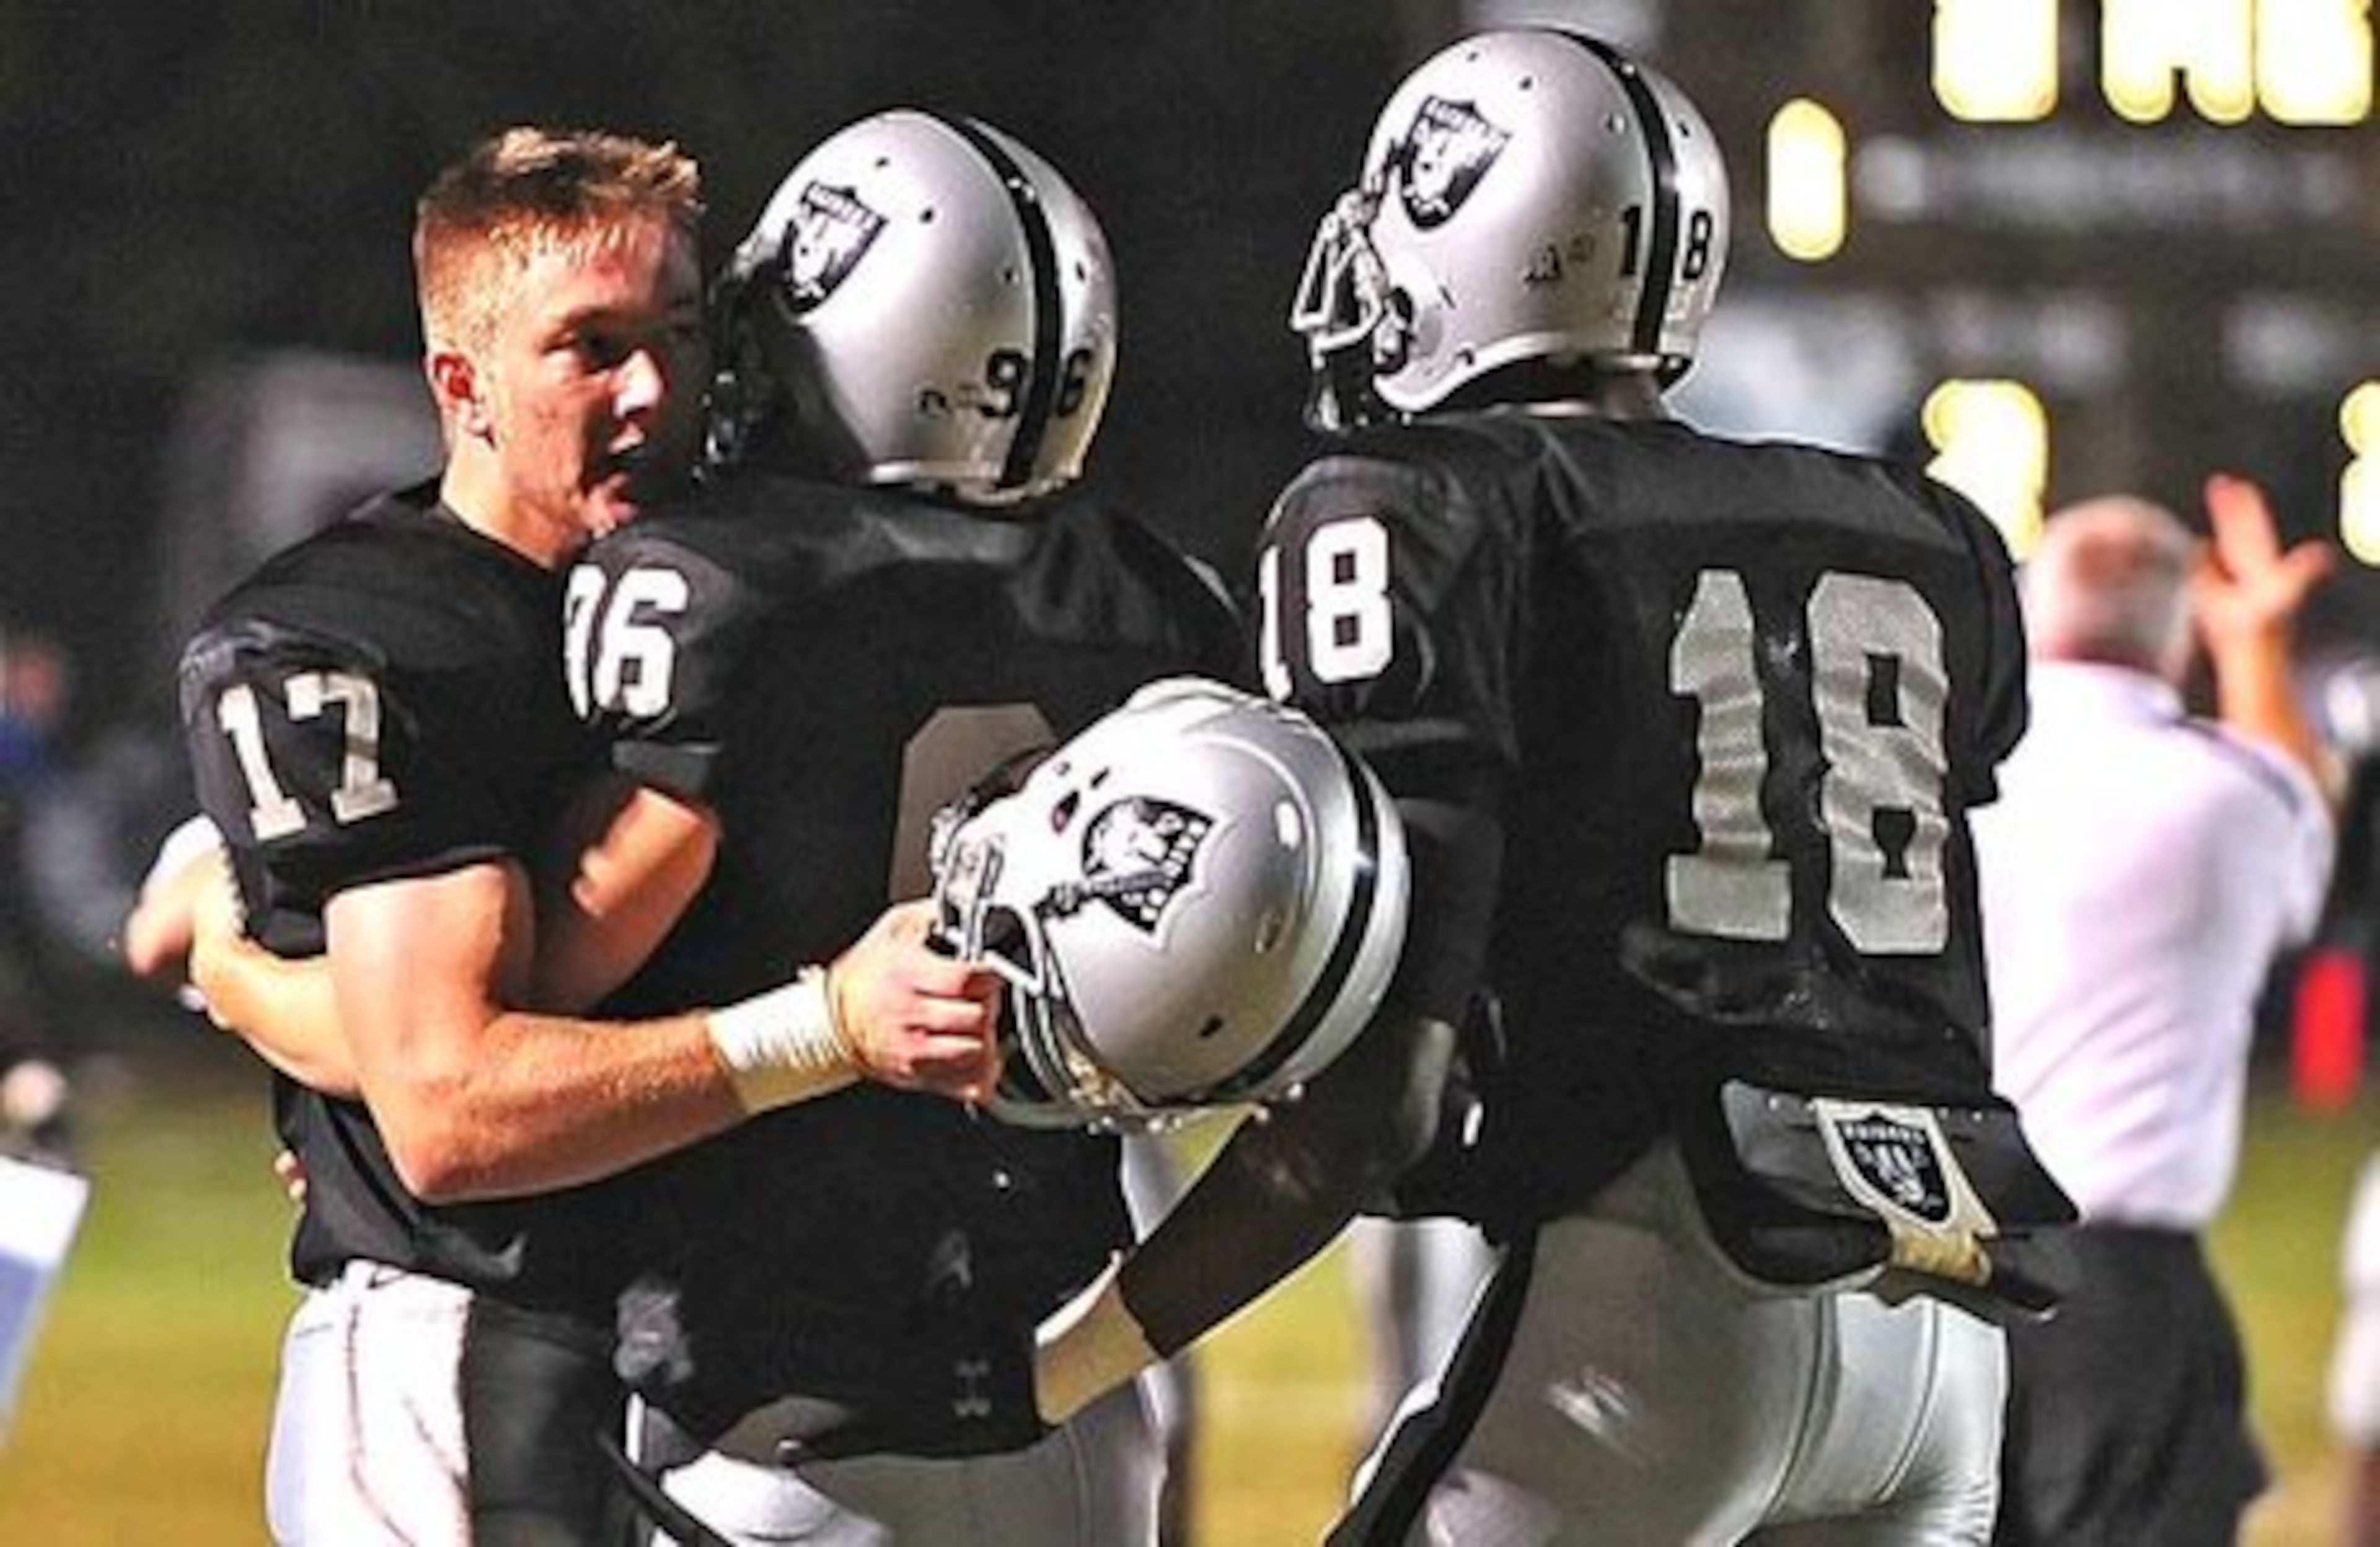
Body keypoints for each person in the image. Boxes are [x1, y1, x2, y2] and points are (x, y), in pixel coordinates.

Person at [798, 28, 2076, 1543]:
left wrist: (1052, 1372)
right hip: (1937, 1339)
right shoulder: (1920, 529)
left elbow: (1368, 1114)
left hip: (1648, 1303)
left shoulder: (1422, 508)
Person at [165, 125, 1005, 1546]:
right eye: (592, 347)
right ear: (461, 382)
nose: (656, 390)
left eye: (679, 334)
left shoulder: (776, 576)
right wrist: (826, 1031)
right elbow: (452, 1110)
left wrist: (254, 984)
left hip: (757, 1352)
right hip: (472, 1351)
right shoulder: (362, 635)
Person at [561, 108, 1247, 1545]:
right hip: (1065, 1367)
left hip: (780, 1384)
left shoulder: (714, 583)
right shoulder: (1157, 603)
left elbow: (553, 973)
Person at [1978, 479, 2340, 1546]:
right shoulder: (2227, 796)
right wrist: (2255, 650)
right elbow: (2302, 811)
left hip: (1931, 1268)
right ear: (2175, 632)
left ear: (2033, 612)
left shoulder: (1953, 777)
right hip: (2119, 1295)